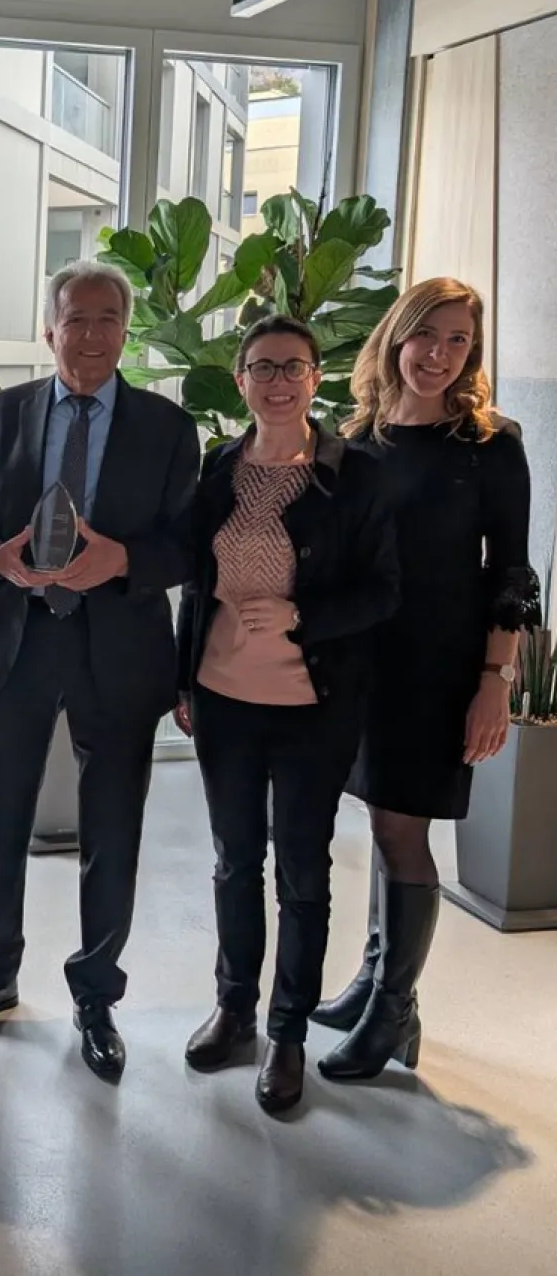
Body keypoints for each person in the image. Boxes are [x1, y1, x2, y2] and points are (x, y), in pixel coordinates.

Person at [0, 259, 200, 1080]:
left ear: (127, 330)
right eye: (74, 319)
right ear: (49, 330)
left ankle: (95, 995)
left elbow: (188, 545)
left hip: (118, 649)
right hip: (19, 643)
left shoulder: (165, 426)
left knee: (111, 832)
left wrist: (121, 560)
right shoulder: (7, 411)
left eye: (107, 318)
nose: (90, 335)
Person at [314, 277, 540, 1081]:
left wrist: (494, 680)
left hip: (441, 666)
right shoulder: (357, 439)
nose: (439, 356)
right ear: (396, 337)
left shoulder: (489, 446)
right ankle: (376, 977)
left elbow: (511, 571)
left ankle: (394, 1013)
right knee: (382, 822)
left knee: (404, 830)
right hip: (366, 663)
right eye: (427, 336)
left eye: (457, 343)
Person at [173, 316, 399, 1114]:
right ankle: (235, 1009)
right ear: (239, 380)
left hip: (314, 704)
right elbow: (196, 588)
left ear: (315, 379)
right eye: (262, 366)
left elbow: (383, 592)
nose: (278, 380)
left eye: (293, 367)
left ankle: (289, 1030)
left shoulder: (354, 476)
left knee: (302, 873)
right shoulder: (218, 469)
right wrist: (184, 681)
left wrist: (302, 616)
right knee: (235, 861)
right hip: (225, 697)